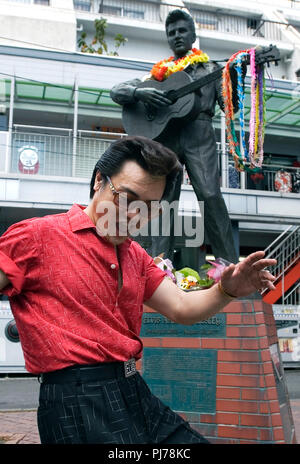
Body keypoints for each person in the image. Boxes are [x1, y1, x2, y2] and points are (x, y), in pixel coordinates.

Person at [0, 136, 276, 444]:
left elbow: (182, 307)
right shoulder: (38, 236)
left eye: (149, 208)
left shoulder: (135, 255)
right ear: (98, 181)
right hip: (77, 400)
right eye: (127, 199)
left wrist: (227, 289)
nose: (135, 216)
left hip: (132, 388)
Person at [111, 9, 246, 266]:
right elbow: (116, 92)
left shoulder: (211, 68)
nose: (177, 36)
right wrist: (141, 94)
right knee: (163, 200)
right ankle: (158, 263)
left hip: (199, 133)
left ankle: (228, 264)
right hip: (167, 137)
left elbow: (231, 106)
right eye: (171, 33)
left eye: (182, 31)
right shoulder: (160, 74)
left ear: (193, 35)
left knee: (209, 194)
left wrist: (236, 77)